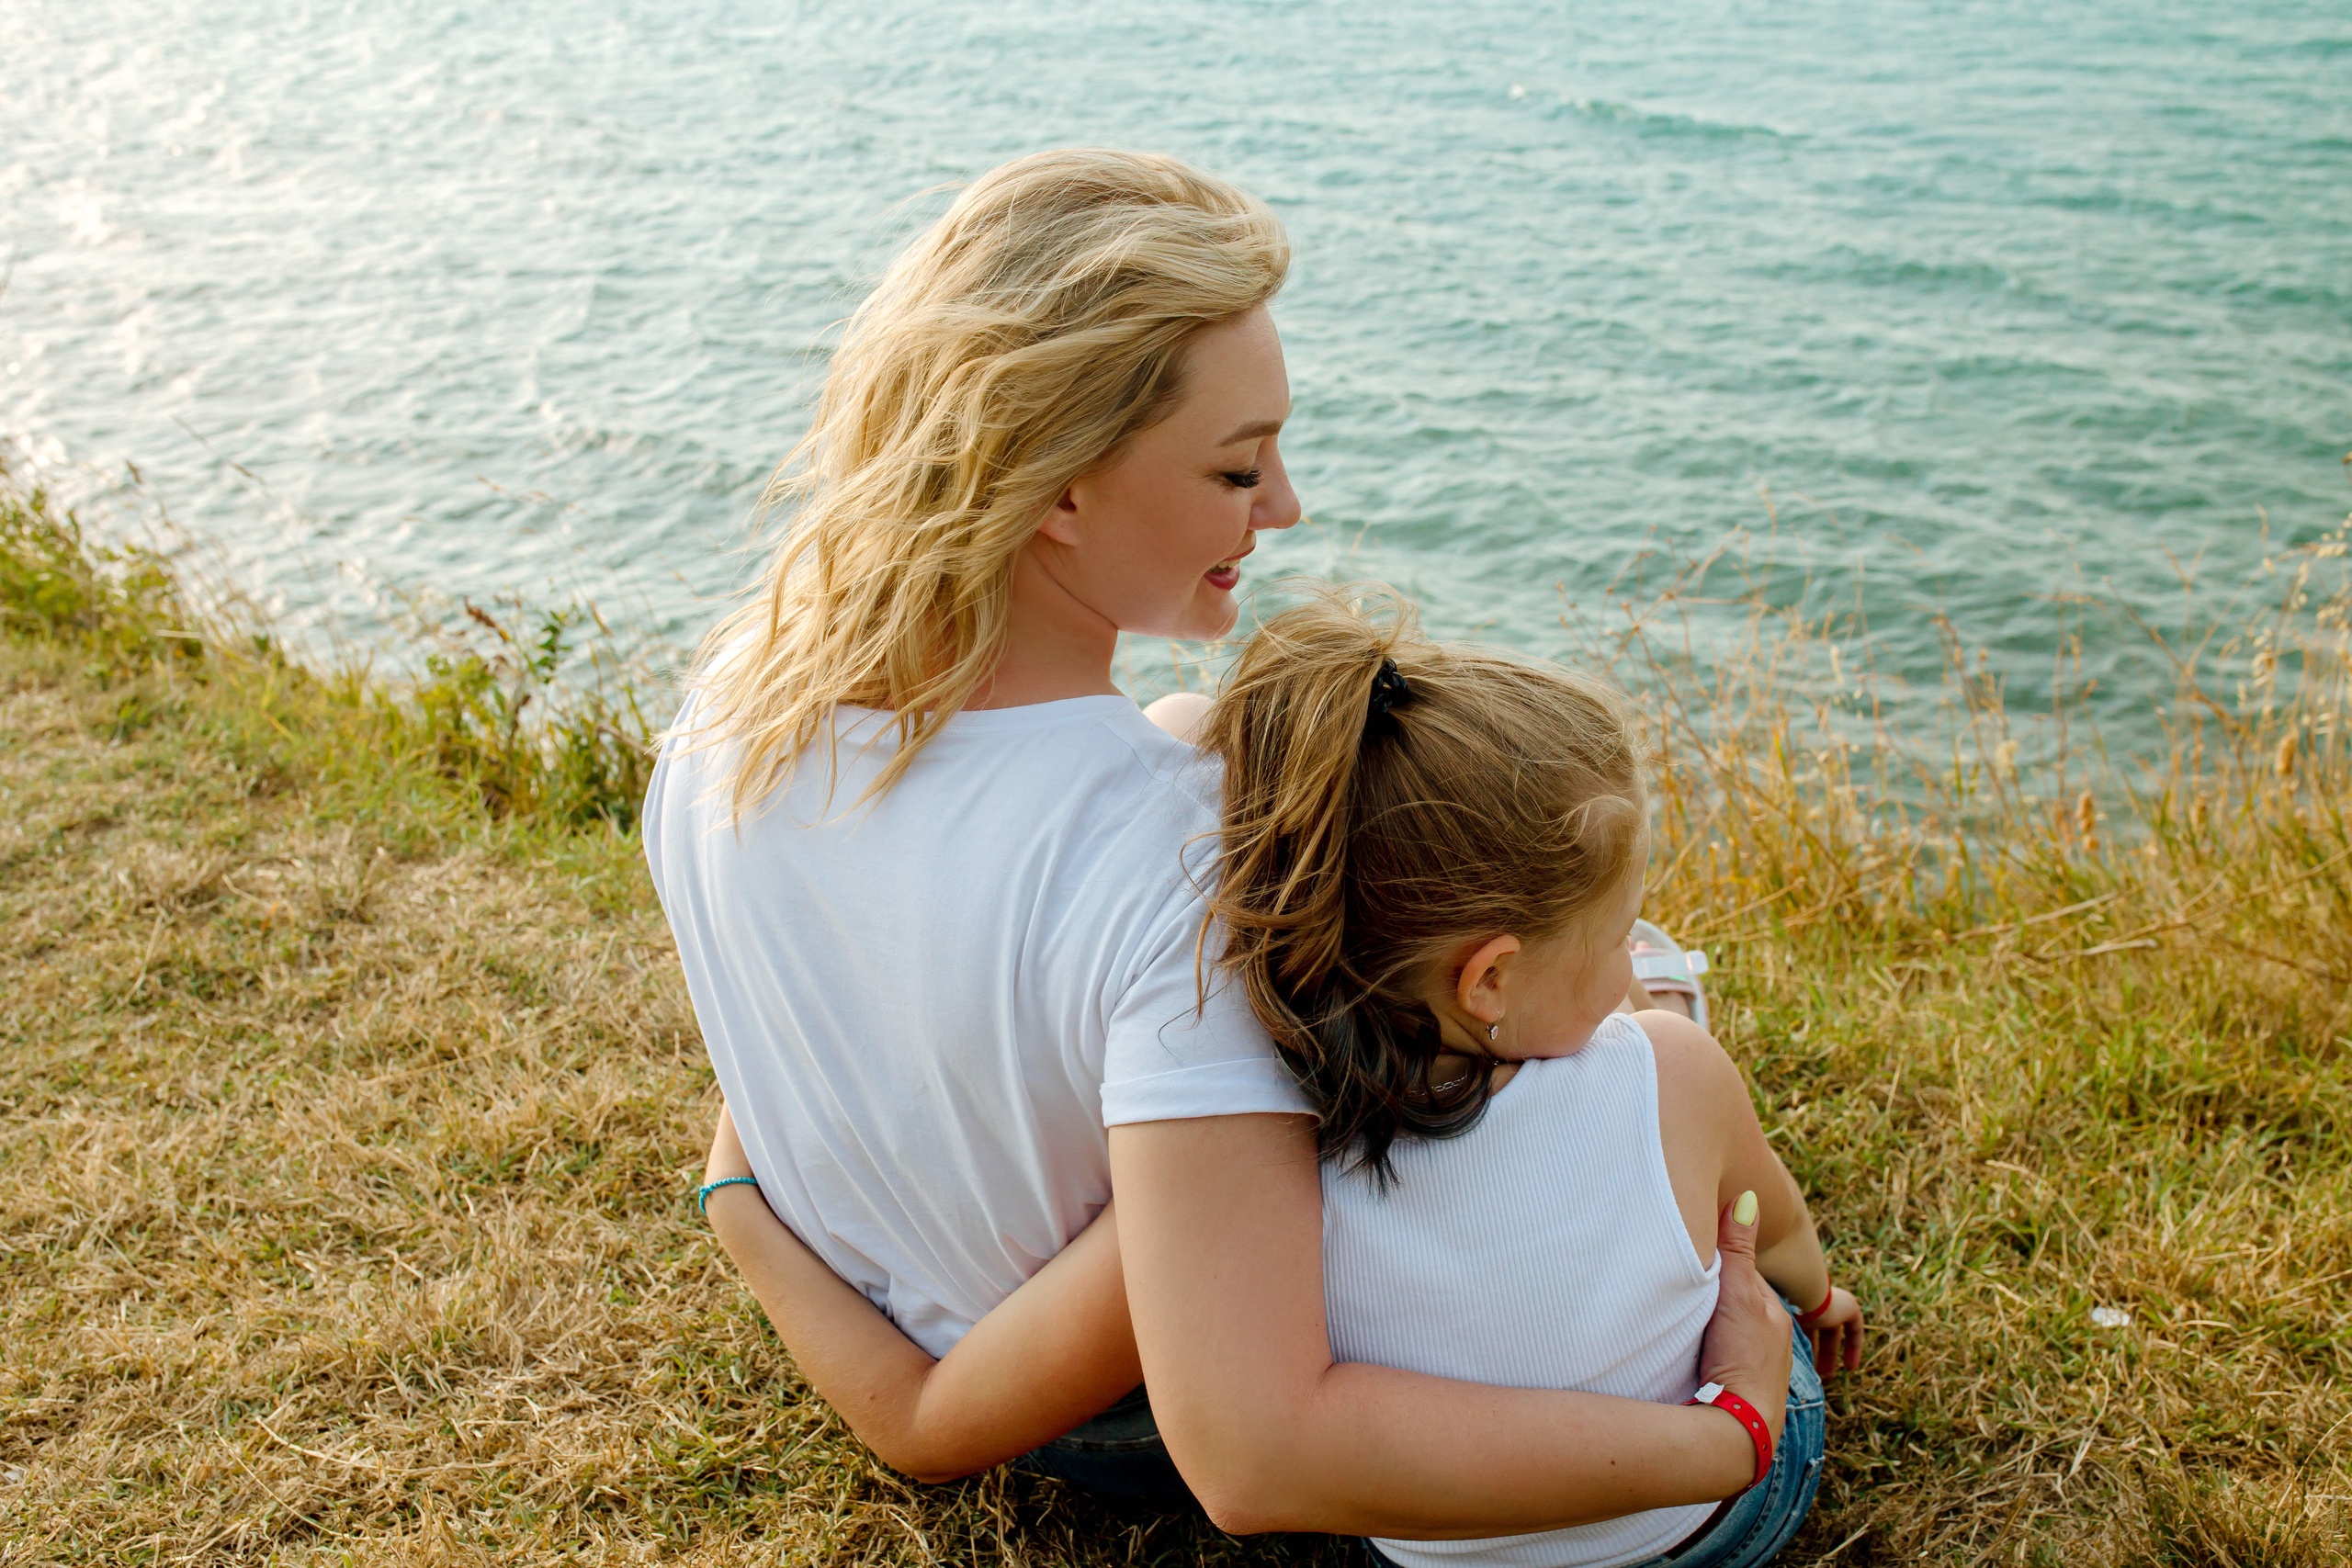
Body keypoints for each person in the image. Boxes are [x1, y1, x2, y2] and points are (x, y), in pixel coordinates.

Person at [650, 146, 1797, 1537]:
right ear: (1056, 488)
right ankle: (1650, 999)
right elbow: (1254, 1456)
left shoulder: (734, 697)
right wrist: (1728, 1436)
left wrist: (745, 1206)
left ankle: (1634, 977)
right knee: (1607, 1070)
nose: (1284, 507)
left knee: (1196, 719)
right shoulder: (1183, 875)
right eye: (1238, 467)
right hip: (1116, 1416)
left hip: (925, 1289)